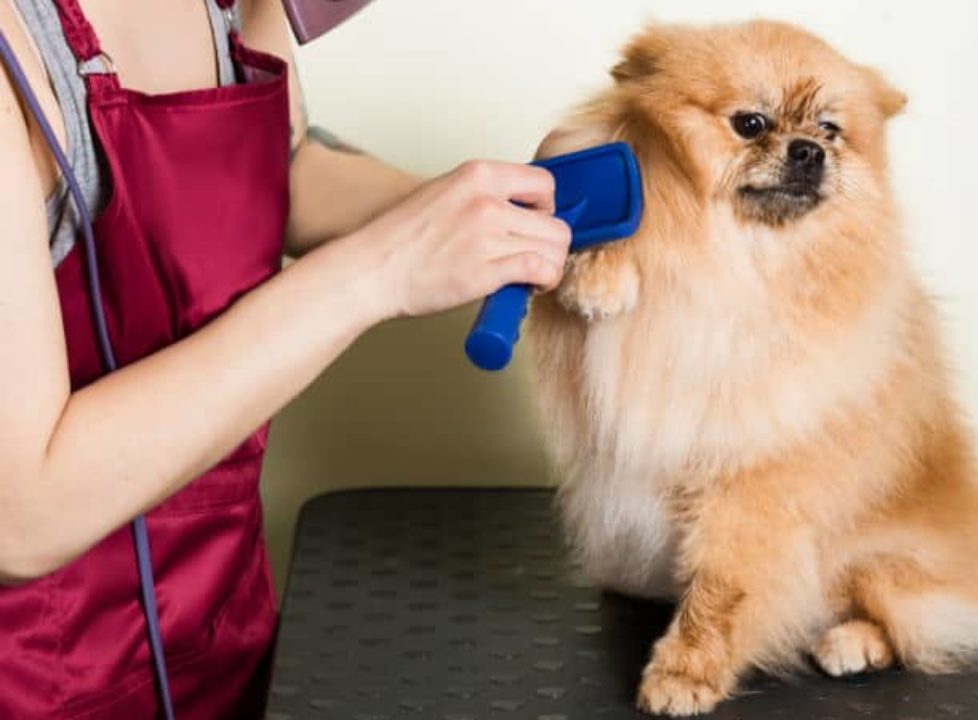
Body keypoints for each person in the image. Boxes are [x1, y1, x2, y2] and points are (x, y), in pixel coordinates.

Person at [0, 0, 571, 716]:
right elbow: (22, 515)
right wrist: (377, 273)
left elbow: (283, 162)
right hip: (37, 682)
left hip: (225, 639)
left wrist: (492, 222)